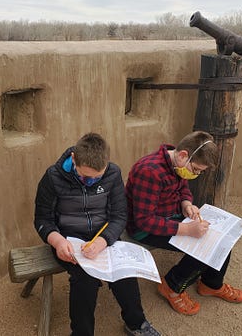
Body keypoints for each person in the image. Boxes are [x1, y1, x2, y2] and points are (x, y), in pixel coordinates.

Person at [34, 133, 160, 336]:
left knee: (124, 271)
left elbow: (120, 215)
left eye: (97, 177)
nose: (90, 182)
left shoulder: (113, 173)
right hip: (68, 242)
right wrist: (57, 242)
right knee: (85, 280)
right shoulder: (53, 177)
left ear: (106, 164)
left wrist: (103, 241)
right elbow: (42, 220)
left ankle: (136, 323)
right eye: (85, 177)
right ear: (73, 159)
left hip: (104, 238)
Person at [125, 131, 242, 316]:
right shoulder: (149, 172)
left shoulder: (177, 163)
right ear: (183, 155)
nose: (196, 174)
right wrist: (187, 229)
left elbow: (183, 189)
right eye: (196, 170)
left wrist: (186, 204)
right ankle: (171, 286)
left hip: (170, 216)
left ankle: (210, 284)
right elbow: (143, 221)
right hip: (145, 229)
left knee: (222, 238)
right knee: (205, 246)